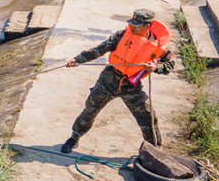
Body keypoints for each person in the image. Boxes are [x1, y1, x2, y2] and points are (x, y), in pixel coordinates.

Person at [60, 9, 172, 153]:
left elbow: (169, 65)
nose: (133, 27)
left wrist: (156, 67)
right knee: (90, 109)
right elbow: (100, 49)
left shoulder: (159, 47)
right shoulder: (122, 35)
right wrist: (78, 59)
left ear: (147, 26)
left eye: (137, 25)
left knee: (148, 116)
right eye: (132, 23)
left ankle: (154, 149)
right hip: (108, 80)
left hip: (131, 86)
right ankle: (74, 137)